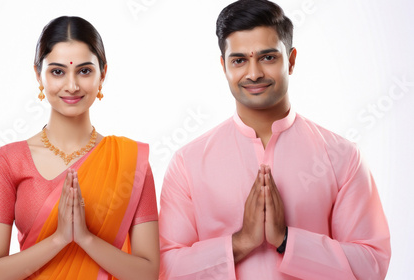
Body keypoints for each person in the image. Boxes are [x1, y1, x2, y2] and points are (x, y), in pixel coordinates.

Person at [158, 0, 391, 279]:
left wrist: (286, 240)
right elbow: (166, 267)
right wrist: (240, 243)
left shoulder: (343, 156)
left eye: (268, 57)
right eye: (239, 60)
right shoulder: (188, 162)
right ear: (224, 66)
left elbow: (372, 264)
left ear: (291, 61)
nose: (254, 73)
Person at [0, 16, 159, 280]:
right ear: (38, 74)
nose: (72, 86)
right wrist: (59, 239)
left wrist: (85, 239)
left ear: (103, 74)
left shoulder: (131, 162)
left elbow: (147, 273)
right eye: (57, 71)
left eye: (84, 71)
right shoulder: (9, 161)